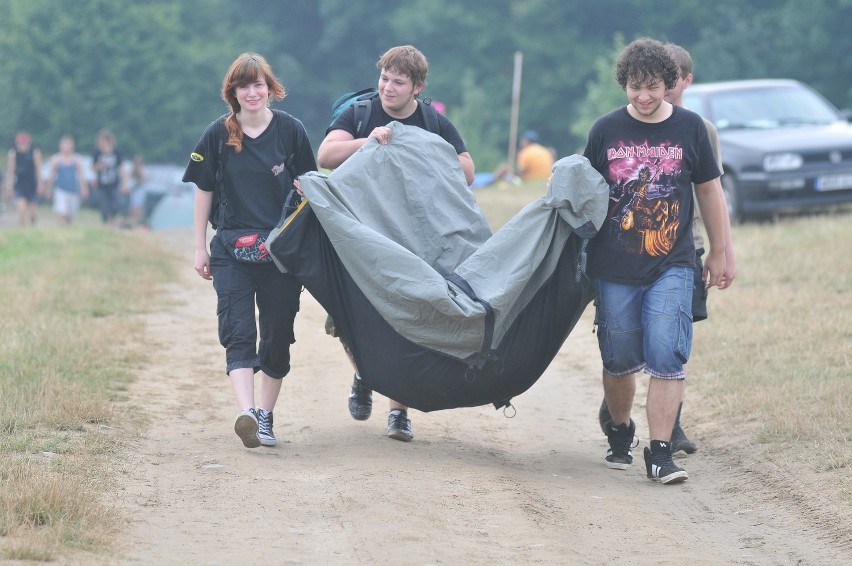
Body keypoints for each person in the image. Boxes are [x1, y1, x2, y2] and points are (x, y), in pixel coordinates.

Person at [582, 37, 730, 484]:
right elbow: (584, 194)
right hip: (614, 265)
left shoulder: (691, 129)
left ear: (670, 84)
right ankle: (621, 428)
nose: (643, 97)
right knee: (620, 358)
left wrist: (721, 250)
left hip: (673, 261)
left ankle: (661, 451)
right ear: (623, 85)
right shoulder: (605, 130)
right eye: (633, 87)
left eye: (651, 87)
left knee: (667, 352)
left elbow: (708, 190)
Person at [317, 44, 475, 442]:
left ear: (417, 87)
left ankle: (399, 411)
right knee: (351, 315)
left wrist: (419, 150)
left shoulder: (432, 121)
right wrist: (368, 141)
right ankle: (363, 374)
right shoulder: (359, 112)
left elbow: (467, 171)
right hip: (361, 232)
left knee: (408, 315)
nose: (387, 87)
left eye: (398, 82)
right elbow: (326, 155)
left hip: (410, 236)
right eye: (384, 78)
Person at [183, 53, 317, 449]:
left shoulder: (291, 131)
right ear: (233, 92)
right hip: (230, 248)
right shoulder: (216, 135)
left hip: (280, 251)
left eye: (259, 84)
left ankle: (265, 416)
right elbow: (203, 191)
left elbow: (312, 186)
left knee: (277, 335)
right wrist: (198, 248)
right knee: (238, 329)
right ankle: (246, 412)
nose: (253, 92)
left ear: (270, 88)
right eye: (245, 86)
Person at [46, 135, 89, 224]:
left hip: (73, 190)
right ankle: (62, 228)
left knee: (70, 214)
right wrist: (49, 189)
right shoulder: (56, 159)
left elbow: (81, 175)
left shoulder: (76, 159)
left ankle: (67, 229)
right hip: (61, 189)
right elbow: (52, 176)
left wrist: (84, 188)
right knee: (62, 212)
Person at [5, 131, 44, 226]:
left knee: (33, 213)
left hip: (32, 184)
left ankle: (33, 226)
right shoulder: (13, 153)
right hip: (20, 184)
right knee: (21, 208)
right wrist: (8, 187)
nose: (22, 146)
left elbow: (39, 170)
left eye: (24, 143)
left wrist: (40, 184)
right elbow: (10, 170)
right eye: (20, 143)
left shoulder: (35, 152)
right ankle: (22, 229)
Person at [92, 129, 128, 225]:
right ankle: (106, 223)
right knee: (104, 206)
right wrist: (100, 165)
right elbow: (93, 168)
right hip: (102, 184)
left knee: (116, 205)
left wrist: (125, 184)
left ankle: (112, 220)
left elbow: (122, 168)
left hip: (114, 183)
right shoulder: (97, 153)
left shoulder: (116, 152)